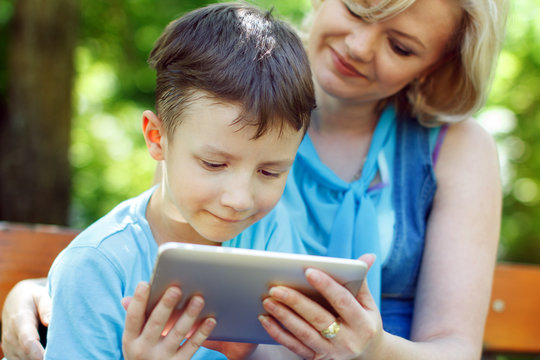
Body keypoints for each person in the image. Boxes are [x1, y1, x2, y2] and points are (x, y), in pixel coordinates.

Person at [1, 0, 508, 359]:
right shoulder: (241, 75)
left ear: (438, 63)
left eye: (400, 45)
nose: (358, 45)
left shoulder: (454, 152)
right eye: (358, 7)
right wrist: (46, 289)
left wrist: (372, 350)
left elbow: (453, 346)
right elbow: (147, 241)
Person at [0, 3, 315, 359]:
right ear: (156, 137)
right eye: (214, 164)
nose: (240, 199)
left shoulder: (269, 231)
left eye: (270, 172)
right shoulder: (95, 267)